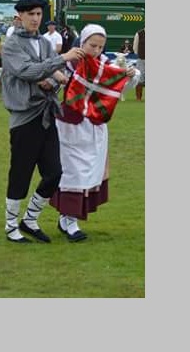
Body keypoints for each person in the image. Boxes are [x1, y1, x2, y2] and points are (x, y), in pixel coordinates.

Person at [0, 0, 86, 243]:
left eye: (38, 14)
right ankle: (10, 226)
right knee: (21, 172)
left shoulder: (45, 43)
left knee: (54, 172)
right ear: (20, 16)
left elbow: (47, 71)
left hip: (47, 113)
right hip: (25, 117)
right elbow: (26, 71)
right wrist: (63, 59)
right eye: (31, 14)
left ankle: (30, 218)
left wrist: (58, 76)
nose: (35, 19)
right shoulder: (12, 44)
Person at [51, 24, 137, 242]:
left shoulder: (104, 65)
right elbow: (53, 80)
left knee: (89, 170)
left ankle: (69, 218)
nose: (96, 50)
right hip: (71, 125)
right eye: (92, 45)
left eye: (100, 46)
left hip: (95, 126)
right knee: (73, 171)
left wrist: (130, 75)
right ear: (83, 42)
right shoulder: (69, 62)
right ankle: (69, 220)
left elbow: (118, 90)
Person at [133, 28, 145, 101]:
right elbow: (135, 47)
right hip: (142, 59)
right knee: (140, 79)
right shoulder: (139, 33)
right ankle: (138, 98)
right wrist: (141, 55)